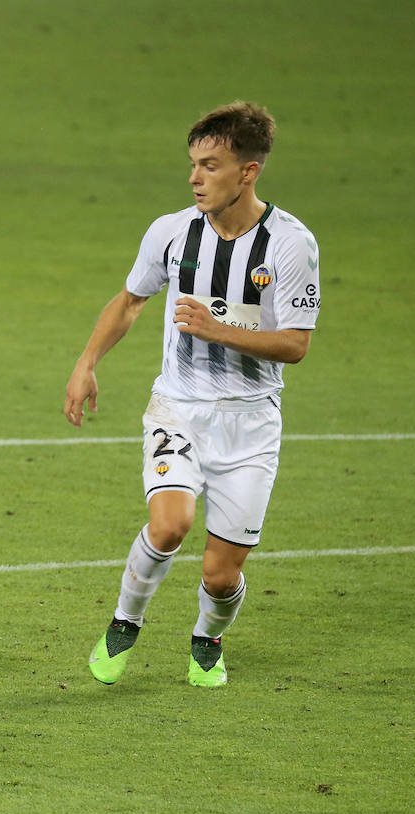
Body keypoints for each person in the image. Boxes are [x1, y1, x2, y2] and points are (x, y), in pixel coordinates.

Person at [63, 101, 320, 688]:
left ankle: (208, 637)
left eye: (210, 165)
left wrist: (215, 329)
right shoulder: (172, 232)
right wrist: (86, 362)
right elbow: (130, 301)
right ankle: (125, 621)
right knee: (169, 525)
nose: (195, 177)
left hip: (252, 424)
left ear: (248, 172)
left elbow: (296, 344)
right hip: (177, 407)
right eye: (193, 164)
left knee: (221, 574)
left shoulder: (290, 244)